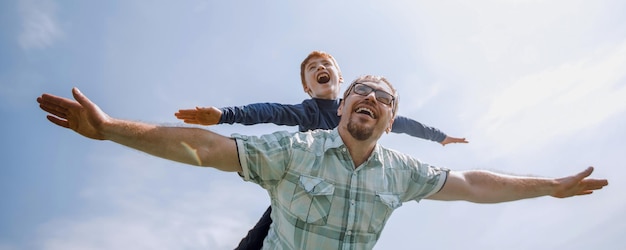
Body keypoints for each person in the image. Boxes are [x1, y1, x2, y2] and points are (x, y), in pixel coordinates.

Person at [37, 75, 608, 249]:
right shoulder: (295, 147)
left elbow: (474, 184)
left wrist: (547, 186)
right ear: (340, 107)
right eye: (362, 90)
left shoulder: (403, 171)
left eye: (385, 98)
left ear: (390, 119)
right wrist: (112, 130)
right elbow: (209, 149)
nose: (373, 99)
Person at [175, 51, 468, 249]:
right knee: (258, 238)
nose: (320, 69)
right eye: (312, 69)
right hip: (309, 191)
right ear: (307, 88)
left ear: (341, 80)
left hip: (351, 190)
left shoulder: (360, 109)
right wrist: (226, 115)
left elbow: (404, 124)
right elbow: (270, 112)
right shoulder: (308, 111)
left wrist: (439, 137)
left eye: (326, 65)